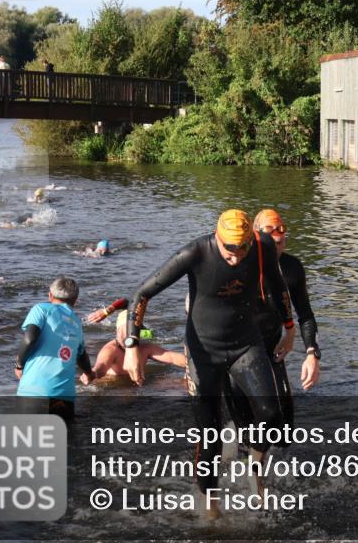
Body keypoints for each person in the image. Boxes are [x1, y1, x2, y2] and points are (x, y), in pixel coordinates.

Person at [123, 209, 295, 511]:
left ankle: (254, 466)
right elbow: (142, 293)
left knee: (271, 415)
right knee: (210, 436)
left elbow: (278, 287)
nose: (236, 257)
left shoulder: (263, 246)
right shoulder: (196, 252)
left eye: (243, 249)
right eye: (230, 250)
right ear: (218, 238)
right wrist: (131, 346)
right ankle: (211, 508)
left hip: (245, 344)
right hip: (204, 353)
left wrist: (290, 329)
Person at [226, 209, 321, 439]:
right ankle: (243, 462)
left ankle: (269, 468)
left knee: (284, 431)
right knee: (246, 431)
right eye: (271, 236)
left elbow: (305, 314)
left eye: (282, 235)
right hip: (237, 353)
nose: (278, 241)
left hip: (272, 349)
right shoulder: (238, 266)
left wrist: (312, 354)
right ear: (256, 238)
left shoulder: (292, 268)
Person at [14, 276, 95, 423]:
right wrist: (89, 373)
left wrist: (19, 365)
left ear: (50, 295)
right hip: (65, 396)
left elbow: (29, 339)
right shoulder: (77, 322)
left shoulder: (41, 309)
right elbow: (81, 355)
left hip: (34, 393)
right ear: (75, 300)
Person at [90, 309, 186, 381]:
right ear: (116, 331)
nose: (125, 336)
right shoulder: (111, 350)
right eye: (122, 331)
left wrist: (193, 363)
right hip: (114, 386)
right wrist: (92, 374)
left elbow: (171, 357)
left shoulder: (145, 348)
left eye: (129, 332)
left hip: (136, 385)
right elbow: (101, 367)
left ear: (137, 332)